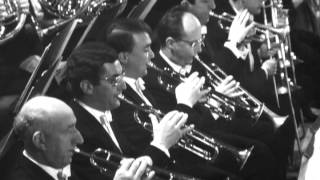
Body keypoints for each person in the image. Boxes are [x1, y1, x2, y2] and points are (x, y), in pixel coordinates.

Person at [107, 9, 279, 180]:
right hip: (177, 160)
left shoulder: (140, 82)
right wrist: (191, 104)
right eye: (145, 50)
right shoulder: (123, 96)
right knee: (257, 156)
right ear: (124, 57)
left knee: (261, 149)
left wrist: (208, 100)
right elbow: (162, 139)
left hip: (192, 146)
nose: (152, 55)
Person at [64, 41, 192, 180]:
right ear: (87, 87)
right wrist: (160, 144)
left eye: (122, 75)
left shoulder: (107, 109)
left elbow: (134, 158)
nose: (123, 86)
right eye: (114, 80)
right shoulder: (77, 132)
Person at [4, 96, 154, 180]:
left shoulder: (60, 162)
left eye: (76, 127)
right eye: (69, 131)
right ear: (40, 140)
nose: (80, 139)